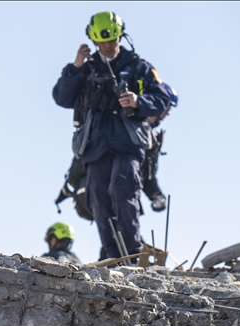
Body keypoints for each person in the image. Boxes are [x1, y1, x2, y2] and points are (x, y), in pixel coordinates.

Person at [52, 11, 170, 261]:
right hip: (95, 144)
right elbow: (61, 98)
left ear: (120, 36)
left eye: (112, 39)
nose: (107, 45)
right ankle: (112, 257)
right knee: (97, 196)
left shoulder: (139, 66)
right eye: (102, 41)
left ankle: (131, 255)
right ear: (93, 40)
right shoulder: (86, 68)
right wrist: (76, 67)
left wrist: (140, 101)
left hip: (129, 141)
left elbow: (162, 98)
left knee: (122, 188)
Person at [141, 82, 178, 212]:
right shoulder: (129, 127)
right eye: (167, 107)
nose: (167, 113)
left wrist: (156, 195)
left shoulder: (152, 138)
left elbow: (145, 176)